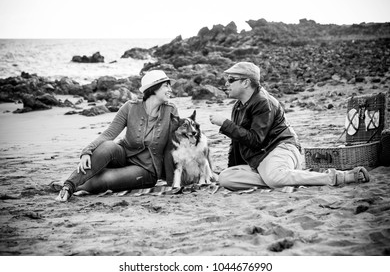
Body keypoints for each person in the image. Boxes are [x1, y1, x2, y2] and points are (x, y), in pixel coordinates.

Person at [209, 62, 370, 190]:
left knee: (274, 178)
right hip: (259, 159)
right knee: (225, 178)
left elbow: (255, 140)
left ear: (245, 82)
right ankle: (282, 177)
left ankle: (337, 177)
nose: (225, 83)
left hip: (280, 149)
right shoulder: (238, 106)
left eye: (230, 79)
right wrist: (235, 168)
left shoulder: (263, 103)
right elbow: (236, 143)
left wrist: (225, 124)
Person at [56, 70, 178, 202]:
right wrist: (87, 151)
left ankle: (70, 186)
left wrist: (173, 181)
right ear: (154, 88)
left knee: (105, 178)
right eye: (166, 85)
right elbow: (109, 134)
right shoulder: (130, 107)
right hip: (123, 155)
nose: (170, 89)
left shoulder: (171, 110)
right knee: (107, 146)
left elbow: (173, 146)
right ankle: (68, 185)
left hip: (146, 169)